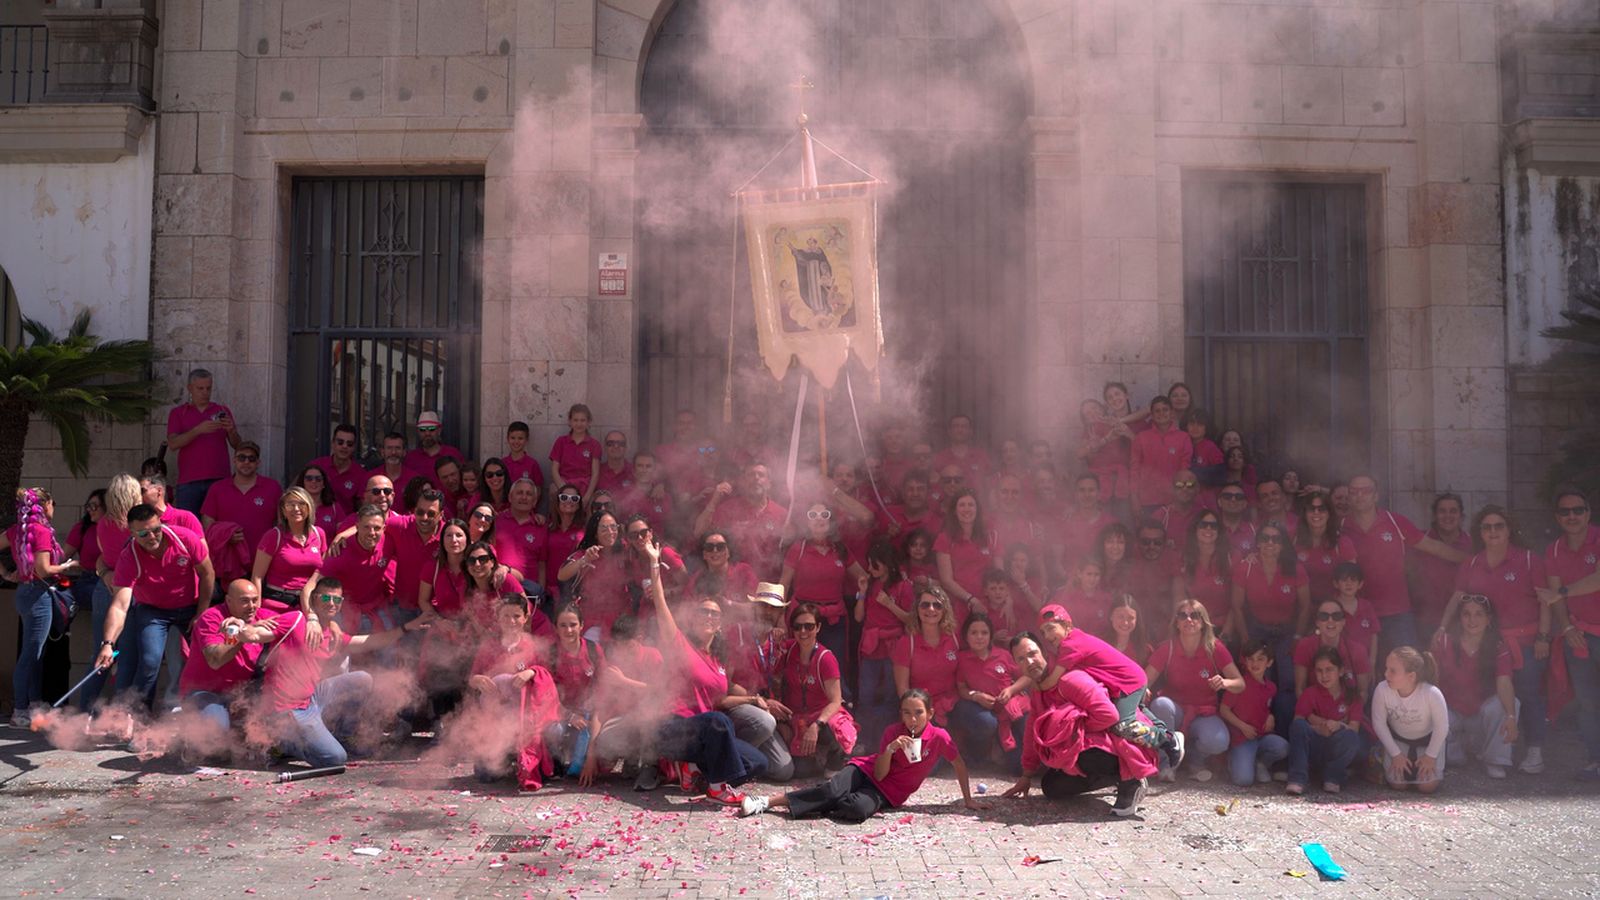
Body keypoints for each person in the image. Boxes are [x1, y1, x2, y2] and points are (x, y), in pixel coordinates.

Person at [641, 538, 767, 803]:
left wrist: (754, 698)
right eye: (703, 612)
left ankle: (696, 771)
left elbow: (721, 697)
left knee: (759, 761)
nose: (709, 617)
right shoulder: (679, 644)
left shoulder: (719, 660)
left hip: (703, 737)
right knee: (719, 721)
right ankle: (718, 787)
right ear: (693, 617)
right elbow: (661, 605)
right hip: (673, 728)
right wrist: (654, 562)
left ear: (720, 624)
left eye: (714, 614)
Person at [739, 688, 983, 821]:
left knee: (855, 812)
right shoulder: (893, 732)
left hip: (888, 794)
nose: (912, 718)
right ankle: (768, 802)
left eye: (918, 712)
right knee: (832, 790)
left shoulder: (939, 737)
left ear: (930, 714)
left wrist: (968, 799)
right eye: (906, 712)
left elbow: (959, 764)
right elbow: (879, 772)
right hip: (865, 771)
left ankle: (828, 797)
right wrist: (890, 749)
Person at [251, 574, 419, 767]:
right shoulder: (295, 620)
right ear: (314, 599)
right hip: (286, 710)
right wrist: (237, 627)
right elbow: (254, 634)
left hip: (311, 699)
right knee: (334, 758)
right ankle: (284, 742)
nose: (331, 603)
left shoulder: (332, 634)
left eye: (336, 599)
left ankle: (343, 735)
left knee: (361, 679)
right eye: (325, 598)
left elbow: (369, 642)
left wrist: (406, 628)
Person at [1438, 506, 1549, 775]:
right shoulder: (1472, 563)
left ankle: (1534, 749)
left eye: (1499, 525)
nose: (1493, 531)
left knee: (1528, 695)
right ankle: (1494, 748)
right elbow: (1458, 596)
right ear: (1480, 532)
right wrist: (1442, 627)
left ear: (1509, 529)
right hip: (1487, 643)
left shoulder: (1530, 560)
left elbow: (1545, 599)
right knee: (1491, 697)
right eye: (1487, 527)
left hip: (1525, 641)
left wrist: (1544, 636)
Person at [1002, 634, 1159, 817]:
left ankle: (1132, 779)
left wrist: (1074, 730)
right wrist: (1026, 776)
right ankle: (1114, 777)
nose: (1029, 662)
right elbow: (1032, 730)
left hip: (1117, 743)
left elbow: (1109, 715)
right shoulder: (1039, 690)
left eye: (1032, 653)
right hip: (1085, 746)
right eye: (1021, 659)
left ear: (1044, 652)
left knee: (1085, 755)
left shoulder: (1070, 679)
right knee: (1051, 787)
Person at [94, 503, 215, 710]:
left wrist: (201, 613)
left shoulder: (185, 538)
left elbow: (207, 573)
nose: (152, 537)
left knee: (206, 658)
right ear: (132, 533)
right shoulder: (128, 556)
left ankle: (207, 712)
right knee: (149, 662)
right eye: (143, 533)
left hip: (191, 606)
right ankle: (139, 719)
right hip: (153, 611)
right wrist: (108, 643)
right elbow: (120, 605)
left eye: (156, 530)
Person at [1340, 475, 1468, 661]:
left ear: (1376, 495)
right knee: (1363, 669)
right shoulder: (1341, 527)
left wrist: (1473, 560)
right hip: (1358, 612)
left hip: (1397, 613)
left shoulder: (1395, 522)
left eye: (1366, 491)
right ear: (1349, 497)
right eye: (1354, 492)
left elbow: (1434, 547)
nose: (1360, 496)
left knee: (1409, 668)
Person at [464, 595, 561, 787]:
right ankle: (507, 757)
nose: (511, 621)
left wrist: (532, 672)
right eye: (506, 616)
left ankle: (535, 757)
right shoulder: (488, 646)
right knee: (486, 775)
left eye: (516, 616)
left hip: (528, 715)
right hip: (495, 715)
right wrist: (478, 680)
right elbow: (472, 678)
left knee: (552, 734)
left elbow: (549, 678)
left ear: (526, 618)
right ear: (498, 618)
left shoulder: (534, 645)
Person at [1146, 599, 1245, 781]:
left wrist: (1224, 683)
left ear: (1203, 622)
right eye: (1183, 615)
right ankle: (1167, 765)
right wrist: (1142, 691)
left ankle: (1193, 760)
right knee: (1160, 704)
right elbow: (1145, 680)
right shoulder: (1167, 649)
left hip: (1203, 713)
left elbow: (1239, 683)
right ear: (1176, 622)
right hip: (1174, 711)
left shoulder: (1216, 649)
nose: (1189, 620)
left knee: (1219, 742)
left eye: (1195, 616)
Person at [1539, 486, 1600, 779]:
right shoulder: (1552, 550)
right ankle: (1595, 760)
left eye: (1578, 510)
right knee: (1588, 702)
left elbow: (1597, 580)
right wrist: (1566, 626)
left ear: (1588, 513)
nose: (1572, 515)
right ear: (1557, 517)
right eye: (1565, 511)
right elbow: (1554, 597)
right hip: (1580, 633)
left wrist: (1561, 592)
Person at [2, 489, 75, 724]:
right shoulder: (42, 532)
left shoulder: (19, 531)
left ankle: (32, 704)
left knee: (36, 652)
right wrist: (69, 565)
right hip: (38, 593)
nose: (54, 507)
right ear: (44, 505)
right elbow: (44, 570)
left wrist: (6, 573)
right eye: (53, 502)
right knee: (31, 654)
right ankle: (21, 709)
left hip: (25, 591)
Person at [1433, 594, 1520, 778]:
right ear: (1460, 618)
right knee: (1430, 703)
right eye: (1466, 614)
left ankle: (1495, 760)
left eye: (1479, 614)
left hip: (1479, 718)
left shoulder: (1498, 646)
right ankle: (1453, 752)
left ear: (1489, 619)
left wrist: (1511, 716)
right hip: (1451, 717)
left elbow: (1504, 681)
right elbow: (1432, 681)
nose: (1472, 620)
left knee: (1509, 704)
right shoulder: (1444, 642)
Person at [176, 579, 272, 742]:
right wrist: (239, 635)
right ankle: (188, 737)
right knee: (217, 735)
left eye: (255, 600)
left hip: (241, 694)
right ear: (228, 601)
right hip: (205, 692)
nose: (252, 606)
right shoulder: (211, 617)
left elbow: (294, 627)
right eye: (244, 601)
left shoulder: (264, 616)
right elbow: (216, 659)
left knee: (272, 727)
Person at [773, 603, 856, 777]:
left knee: (838, 730)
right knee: (803, 771)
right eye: (797, 627)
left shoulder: (826, 659)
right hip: (796, 719)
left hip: (821, 717)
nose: (803, 631)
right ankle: (815, 756)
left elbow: (835, 701)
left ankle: (836, 759)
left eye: (809, 626)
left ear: (818, 627)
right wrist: (781, 722)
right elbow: (772, 678)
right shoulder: (788, 650)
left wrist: (816, 727)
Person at [781, 502, 867, 662]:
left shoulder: (840, 549)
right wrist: (780, 620)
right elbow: (783, 586)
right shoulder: (797, 549)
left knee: (835, 667)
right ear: (807, 522)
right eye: (813, 515)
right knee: (803, 665)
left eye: (824, 515)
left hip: (834, 619)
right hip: (803, 619)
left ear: (831, 521)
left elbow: (863, 577)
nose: (819, 519)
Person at [1230, 523, 1308, 695]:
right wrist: (1245, 639)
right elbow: (1237, 606)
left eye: (1276, 539)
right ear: (1257, 542)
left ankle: (1286, 720)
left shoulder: (1295, 569)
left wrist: (1297, 636)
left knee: (1288, 680)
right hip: (1258, 631)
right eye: (1265, 538)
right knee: (1261, 680)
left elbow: (1305, 606)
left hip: (1287, 632)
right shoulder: (1246, 568)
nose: (1270, 543)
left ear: (1282, 544)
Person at [952, 612, 1028, 769]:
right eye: (974, 632)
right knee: (987, 724)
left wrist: (1011, 690)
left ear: (991, 636)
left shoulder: (1003, 655)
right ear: (966, 636)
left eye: (984, 632)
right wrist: (976, 696)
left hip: (1011, 709)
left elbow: (1026, 677)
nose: (979, 637)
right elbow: (961, 688)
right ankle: (982, 750)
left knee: (1020, 764)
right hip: (985, 711)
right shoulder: (962, 659)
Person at [856, 540, 915, 742]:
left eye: (875, 564)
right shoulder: (870, 584)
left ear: (888, 563)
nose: (870, 569)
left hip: (894, 646)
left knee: (891, 695)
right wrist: (862, 593)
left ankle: (888, 738)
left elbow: (910, 618)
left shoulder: (904, 586)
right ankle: (864, 739)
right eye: (870, 563)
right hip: (872, 645)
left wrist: (890, 604)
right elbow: (858, 617)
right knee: (866, 695)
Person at [1286, 647, 1365, 795]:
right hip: (1314, 746)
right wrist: (1317, 728)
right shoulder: (1310, 693)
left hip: (1336, 744)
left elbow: (1354, 728)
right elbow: (1298, 721)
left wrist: (1339, 726)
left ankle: (1333, 777)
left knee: (1352, 738)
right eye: (1319, 671)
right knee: (1298, 726)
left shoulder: (1352, 696)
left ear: (1341, 671)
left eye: (1329, 670)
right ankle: (1297, 778)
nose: (1324, 675)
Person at [1371, 646, 1449, 793]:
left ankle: (1438, 764)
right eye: (1386, 668)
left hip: (1428, 741)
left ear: (1411, 676)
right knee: (1398, 785)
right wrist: (1395, 754)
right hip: (1398, 740)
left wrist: (1431, 756)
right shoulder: (1382, 690)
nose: (1386, 674)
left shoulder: (1431, 693)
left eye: (1393, 671)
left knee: (1427, 787)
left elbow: (1442, 727)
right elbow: (1379, 723)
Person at [166, 368, 241, 514]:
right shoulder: (178, 413)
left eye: (208, 388)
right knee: (188, 526)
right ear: (190, 388)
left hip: (219, 479)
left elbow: (238, 445)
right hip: (189, 480)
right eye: (200, 388)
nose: (205, 392)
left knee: (220, 525)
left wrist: (231, 430)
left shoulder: (221, 410)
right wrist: (198, 430)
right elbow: (173, 444)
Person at [544, 603, 605, 775]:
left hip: (590, 713)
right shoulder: (551, 654)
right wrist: (569, 715)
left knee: (602, 743)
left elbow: (603, 687)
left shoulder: (593, 650)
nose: (568, 630)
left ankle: (582, 759)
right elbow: (547, 694)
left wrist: (592, 715)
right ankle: (555, 759)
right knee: (553, 731)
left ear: (582, 625)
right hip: (561, 712)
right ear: (555, 627)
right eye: (563, 625)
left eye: (573, 625)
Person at [697, 462, 787, 579]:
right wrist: (715, 499)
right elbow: (699, 532)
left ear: (769, 483)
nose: (756, 478)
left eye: (761, 475)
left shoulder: (781, 514)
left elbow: (788, 555)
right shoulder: (728, 509)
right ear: (743, 482)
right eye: (751, 475)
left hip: (769, 585)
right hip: (736, 583)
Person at [64, 490, 111, 710]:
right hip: (91, 582)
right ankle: (85, 711)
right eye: (88, 506)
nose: (90, 510)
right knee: (101, 647)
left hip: (117, 583)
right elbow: (63, 556)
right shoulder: (83, 528)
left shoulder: (116, 527)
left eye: (95, 506)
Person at [1220, 640, 1290, 786]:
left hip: (1261, 736)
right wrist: (1243, 726)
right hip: (1242, 738)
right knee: (1243, 780)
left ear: (1269, 663)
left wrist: (1270, 716)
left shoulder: (1271, 687)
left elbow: (1266, 706)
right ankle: (1233, 760)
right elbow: (1224, 710)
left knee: (1282, 747)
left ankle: (1261, 762)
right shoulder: (1239, 684)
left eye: (1260, 659)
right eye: (1250, 659)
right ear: (1245, 662)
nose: (1255, 663)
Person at [251, 487, 327, 615]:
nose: (296, 509)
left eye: (301, 504)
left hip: (310, 602)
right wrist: (256, 610)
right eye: (290, 504)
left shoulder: (319, 534)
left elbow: (323, 571)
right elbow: (257, 577)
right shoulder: (273, 536)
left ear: (309, 508)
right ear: (283, 511)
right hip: (277, 601)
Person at [1413, 493, 1473, 636]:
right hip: (1423, 621)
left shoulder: (1473, 543)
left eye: (1453, 511)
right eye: (1442, 511)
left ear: (1461, 516)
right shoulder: (1419, 541)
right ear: (1434, 516)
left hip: (1462, 623)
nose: (1448, 516)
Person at [1294, 599, 1373, 699]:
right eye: (1324, 616)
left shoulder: (1358, 650)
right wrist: (1310, 714)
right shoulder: (1305, 645)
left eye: (1336, 616)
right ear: (1317, 622)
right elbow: (1300, 689)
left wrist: (1351, 714)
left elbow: (1362, 692)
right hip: (1313, 708)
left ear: (1343, 622)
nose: (1330, 620)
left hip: (1348, 709)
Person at [1129, 396, 1192, 514]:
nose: (1161, 413)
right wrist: (1134, 498)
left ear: (1172, 413)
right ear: (1151, 415)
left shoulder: (1184, 437)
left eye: (1165, 409)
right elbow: (1134, 469)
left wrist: (1181, 496)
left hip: (1173, 499)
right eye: (1157, 411)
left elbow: (1184, 470)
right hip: (1147, 500)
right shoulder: (1141, 438)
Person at [1293, 489, 1357, 603]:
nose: (1316, 513)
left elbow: (1351, 581)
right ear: (1305, 513)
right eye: (1311, 509)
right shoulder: (1293, 539)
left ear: (1329, 513)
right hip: (1299, 608)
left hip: (1330, 612)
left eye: (1322, 509)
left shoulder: (1342, 543)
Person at [1175, 511, 1233, 631]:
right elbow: (1179, 600)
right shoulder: (1182, 559)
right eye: (1203, 525)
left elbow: (1236, 604)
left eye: (1213, 526)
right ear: (1195, 529)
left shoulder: (1231, 558)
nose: (1208, 528)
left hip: (1224, 627)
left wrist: (1226, 634)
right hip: (1193, 626)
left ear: (1219, 531)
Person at [494, 478, 548, 604]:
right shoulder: (496, 521)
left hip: (528, 593)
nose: (524, 497)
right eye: (520, 493)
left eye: (529, 494)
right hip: (500, 590)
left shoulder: (541, 527)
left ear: (535, 501)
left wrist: (540, 593)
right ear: (510, 497)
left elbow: (541, 565)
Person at [687, 531, 757, 608]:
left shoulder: (743, 571)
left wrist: (728, 604)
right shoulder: (697, 579)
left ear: (728, 553)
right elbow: (686, 608)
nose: (715, 551)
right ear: (704, 555)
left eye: (720, 547)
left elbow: (756, 608)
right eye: (709, 547)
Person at [307, 423, 367, 513]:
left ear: (354, 447)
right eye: (340, 442)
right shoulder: (316, 466)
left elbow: (362, 508)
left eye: (349, 444)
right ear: (333, 443)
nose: (344, 446)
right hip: (314, 520)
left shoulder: (360, 474)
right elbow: (294, 493)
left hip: (346, 524)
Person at [543, 484, 588, 601]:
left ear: (579, 504)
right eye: (564, 497)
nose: (569, 501)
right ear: (557, 501)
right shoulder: (547, 528)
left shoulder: (584, 531)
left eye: (574, 498)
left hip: (573, 591)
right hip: (549, 591)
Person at [931, 414, 993, 488]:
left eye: (964, 426)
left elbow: (990, 485)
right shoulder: (940, 458)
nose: (960, 430)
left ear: (971, 431)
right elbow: (935, 488)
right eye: (956, 426)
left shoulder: (981, 456)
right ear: (949, 431)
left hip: (977, 499)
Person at [369, 432, 424, 513]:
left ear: (404, 452)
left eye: (397, 448)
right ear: (382, 452)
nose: (393, 452)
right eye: (389, 448)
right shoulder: (370, 477)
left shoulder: (415, 479)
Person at [404, 410, 463, 478]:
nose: (427, 433)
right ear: (418, 431)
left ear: (439, 430)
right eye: (422, 429)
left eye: (432, 429)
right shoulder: (410, 458)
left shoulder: (453, 454)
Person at [1102, 593, 1153, 668]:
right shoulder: (1100, 645)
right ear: (1111, 616)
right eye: (1121, 617)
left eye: (1131, 618)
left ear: (1137, 620)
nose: (1125, 623)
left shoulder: (1145, 651)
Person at [295, 464, 343, 532]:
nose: (313, 481)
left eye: (318, 479)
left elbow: (342, 534)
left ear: (324, 484)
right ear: (303, 483)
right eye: (309, 478)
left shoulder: (334, 508)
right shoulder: (294, 507)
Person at [501, 421, 545, 490]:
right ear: (507, 439)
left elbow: (538, 488)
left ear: (526, 440)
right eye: (513, 438)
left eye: (520, 438)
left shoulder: (532, 464)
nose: (516, 442)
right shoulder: (502, 463)